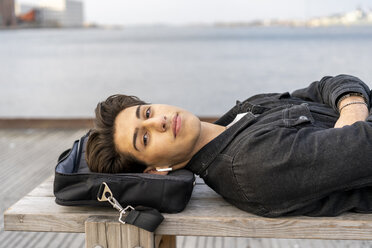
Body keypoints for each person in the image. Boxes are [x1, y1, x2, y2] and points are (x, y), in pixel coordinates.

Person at [86, 74, 372, 217]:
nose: (158, 121)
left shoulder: (243, 111)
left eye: (146, 112)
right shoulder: (251, 165)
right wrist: (352, 113)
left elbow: (326, 85)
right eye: (145, 138)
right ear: (156, 171)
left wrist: (352, 107)